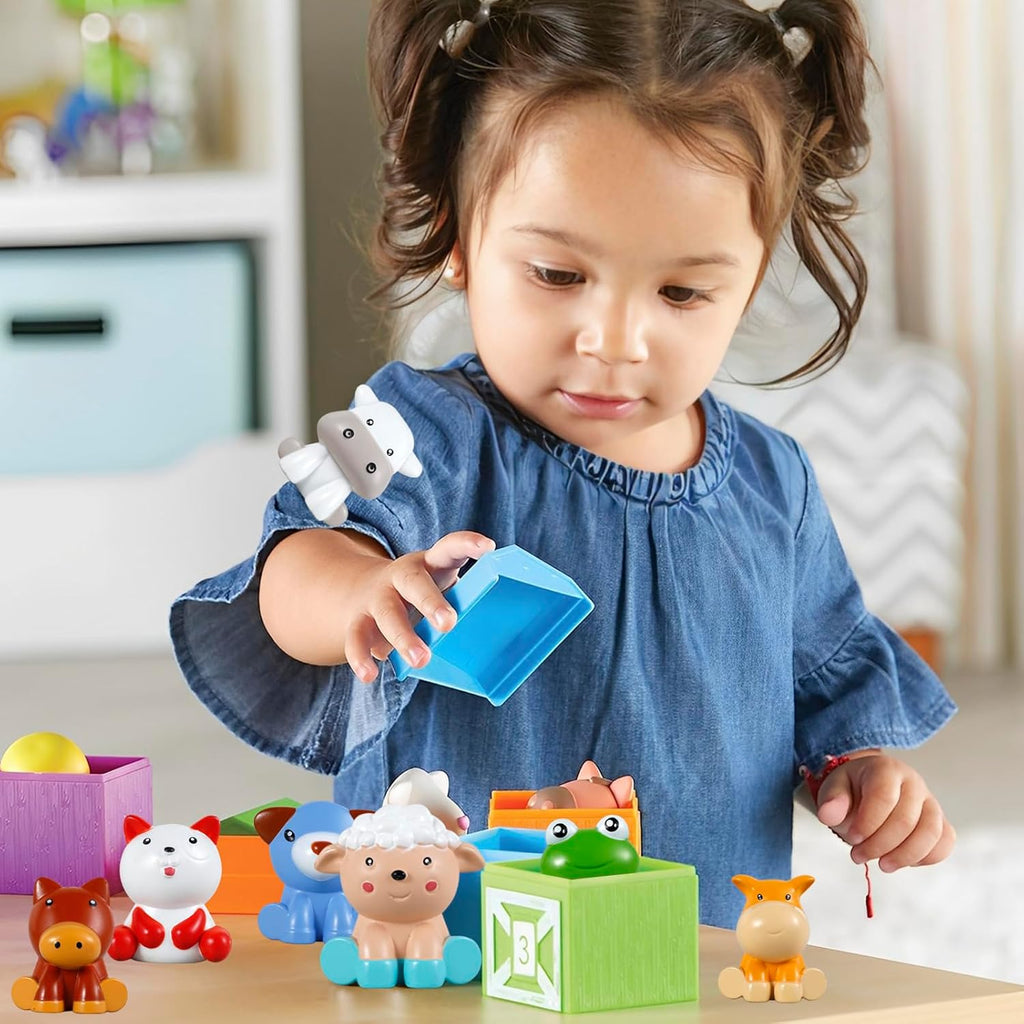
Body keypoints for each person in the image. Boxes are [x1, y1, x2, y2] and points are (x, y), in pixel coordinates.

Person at [171, 0, 957, 926]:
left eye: (682, 291)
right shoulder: (425, 426)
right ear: (461, 241)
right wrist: (359, 592)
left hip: (687, 952)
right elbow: (292, 563)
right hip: (443, 930)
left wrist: (862, 776)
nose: (614, 339)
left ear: (747, 282)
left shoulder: (772, 484)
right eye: (557, 274)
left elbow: (829, 684)